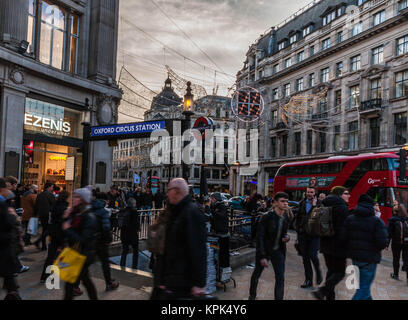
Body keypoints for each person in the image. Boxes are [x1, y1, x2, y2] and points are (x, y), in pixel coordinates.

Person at [156, 178, 207, 299]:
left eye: (169, 190)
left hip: (182, 282)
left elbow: (199, 251)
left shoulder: (192, 213)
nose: (167, 193)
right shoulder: (174, 211)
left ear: (176, 191)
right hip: (170, 279)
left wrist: (199, 284)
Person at [341, 194, 388, 300]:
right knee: (363, 288)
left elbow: (343, 237)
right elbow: (383, 242)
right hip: (369, 260)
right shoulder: (377, 221)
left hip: (355, 258)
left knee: (361, 288)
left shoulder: (350, 219)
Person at [249, 192, 291, 300]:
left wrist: (287, 237)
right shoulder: (267, 217)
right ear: (275, 202)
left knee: (280, 278)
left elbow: (284, 233)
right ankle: (252, 296)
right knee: (257, 274)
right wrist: (262, 255)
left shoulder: (285, 217)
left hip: (279, 251)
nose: (285, 204)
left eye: (286, 201)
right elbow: (260, 237)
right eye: (282, 201)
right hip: (265, 251)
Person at [312, 186, 350, 300]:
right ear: (340, 194)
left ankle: (329, 297)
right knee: (340, 273)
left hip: (325, 244)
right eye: (346, 193)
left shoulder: (324, 204)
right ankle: (322, 291)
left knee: (331, 272)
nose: (349, 195)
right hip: (338, 246)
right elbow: (342, 230)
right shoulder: (342, 207)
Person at [62, 188, 98, 300]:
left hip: (82, 253)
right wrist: (66, 218)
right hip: (75, 252)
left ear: (83, 200)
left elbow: (83, 239)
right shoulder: (76, 213)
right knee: (83, 280)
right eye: (74, 196)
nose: (73, 199)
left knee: (74, 282)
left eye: (77, 197)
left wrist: (68, 229)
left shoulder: (88, 217)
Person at [92, 191, 120, 291]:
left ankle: (75, 285)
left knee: (85, 264)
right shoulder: (103, 212)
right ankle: (108, 283)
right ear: (105, 200)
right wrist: (108, 239)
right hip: (101, 242)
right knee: (105, 263)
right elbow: (106, 227)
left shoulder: (91, 208)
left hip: (91, 240)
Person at [295, 187, 322, 289]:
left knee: (313, 255)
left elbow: (319, 218)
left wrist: (314, 206)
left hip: (314, 235)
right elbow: (298, 217)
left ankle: (318, 272)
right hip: (303, 234)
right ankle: (308, 280)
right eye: (308, 192)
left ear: (315, 193)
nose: (309, 194)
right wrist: (298, 229)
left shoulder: (319, 203)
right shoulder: (302, 202)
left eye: (311, 192)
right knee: (305, 258)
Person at [40, 191, 70, 283]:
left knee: (51, 255)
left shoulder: (54, 206)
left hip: (54, 233)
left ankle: (44, 276)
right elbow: (64, 222)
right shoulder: (64, 208)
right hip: (62, 234)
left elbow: (51, 220)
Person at [0, 178, 22, 300]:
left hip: (5, 247)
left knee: (10, 282)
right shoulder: (2, 203)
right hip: (4, 246)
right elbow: (8, 224)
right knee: (11, 284)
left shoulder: (4, 202)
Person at [388, 204, 408, 282]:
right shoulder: (406, 219)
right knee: (406, 259)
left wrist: (387, 243)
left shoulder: (393, 219)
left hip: (396, 243)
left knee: (396, 259)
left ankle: (396, 275)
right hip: (406, 243)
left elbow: (389, 232)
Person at [34, 183, 56, 251]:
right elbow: (54, 204)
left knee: (44, 229)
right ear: (49, 187)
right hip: (48, 214)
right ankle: (39, 242)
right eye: (52, 187)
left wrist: (36, 214)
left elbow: (36, 205)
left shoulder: (39, 195)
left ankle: (43, 245)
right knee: (47, 230)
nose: (52, 189)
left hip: (41, 214)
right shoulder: (50, 195)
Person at [120, 198, 140, 269]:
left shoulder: (123, 210)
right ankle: (134, 267)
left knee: (124, 251)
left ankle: (122, 266)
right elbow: (136, 223)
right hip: (132, 235)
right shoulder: (134, 211)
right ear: (133, 204)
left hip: (124, 234)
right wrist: (138, 230)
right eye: (135, 203)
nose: (135, 204)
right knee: (135, 252)